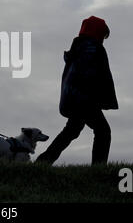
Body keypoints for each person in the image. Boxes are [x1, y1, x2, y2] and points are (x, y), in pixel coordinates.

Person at [36, 16, 118, 165]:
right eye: (103, 35)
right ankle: (98, 168)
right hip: (85, 99)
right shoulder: (94, 49)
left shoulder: (78, 48)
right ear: (97, 32)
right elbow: (97, 76)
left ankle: (43, 161)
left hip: (73, 98)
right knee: (103, 131)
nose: (103, 39)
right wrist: (99, 98)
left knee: (71, 131)